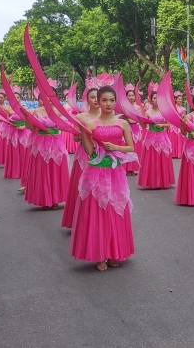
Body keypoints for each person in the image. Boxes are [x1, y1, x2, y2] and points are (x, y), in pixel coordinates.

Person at [70, 85, 137, 271]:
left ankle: (115, 252)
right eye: (104, 100)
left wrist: (115, 148)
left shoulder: (122, 123)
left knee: (116, 209)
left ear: (116, 102)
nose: (108, 103)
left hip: (115, 172)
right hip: (96, 172)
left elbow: (131, 148)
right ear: (97, 102)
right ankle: (100, 255)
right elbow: (90, 152)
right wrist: (83, 132)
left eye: (112, 100)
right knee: (98, 211)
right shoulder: (90, 124)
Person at [62, 87, 101, 229]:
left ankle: (98, 222)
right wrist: (88, 135)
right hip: (84, 155)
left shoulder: (108, 116)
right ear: (87, 100)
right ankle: (80, 222)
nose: (96, 100)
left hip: (103, 155)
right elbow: (75, 137)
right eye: (92, 97)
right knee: (82, 188)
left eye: (98, 96)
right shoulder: (80, 117)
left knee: (100, 188)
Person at [23, 95, 70, 210]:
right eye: (44, 98)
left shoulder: (59, 111)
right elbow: (32, 128)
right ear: (39, 100)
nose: (47, 100)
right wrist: (26, 117)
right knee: (42, 170)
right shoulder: (35, 111)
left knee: (56, 170)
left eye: (50, 98)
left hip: (56, 142)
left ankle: (56, 199)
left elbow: (64, 127)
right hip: (40, 143)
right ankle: (43, 199)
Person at [137, 91, 175, 189]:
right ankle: (152, 181)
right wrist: (139, 119)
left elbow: (169, 124)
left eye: (158, 98)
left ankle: (163, 181)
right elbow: (144, 126)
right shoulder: (147, 112)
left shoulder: (164, 111)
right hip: (151, 137)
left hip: (162, 137)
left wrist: (162, 125)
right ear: (150, 100)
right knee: (151, 159)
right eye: (154, 98)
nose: (156, 100)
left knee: (162, 158)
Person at [123, 88, 143, 176]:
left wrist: (130, 120)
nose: (131, 97)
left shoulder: (138, 107)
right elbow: (121, 118)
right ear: (126, 97)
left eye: (132, 95)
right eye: (129, 95)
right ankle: (127, 168)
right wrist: (127, 119)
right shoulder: (123, 107)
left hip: (135, 129)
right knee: (127, 147)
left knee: (134, 147)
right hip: (126, 128)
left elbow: (139, 119)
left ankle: (133, 168)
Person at [169, 92, 186, 159]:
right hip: (174, 124)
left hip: (180, 124)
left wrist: (182, 119)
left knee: (180, 137)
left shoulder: (183, 108)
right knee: (173, 138)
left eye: (181, 99)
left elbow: (184, 116)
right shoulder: (173, 108)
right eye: (179, 99)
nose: (180, 100)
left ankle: (180, 152)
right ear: (176, 100)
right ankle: (173, 152)